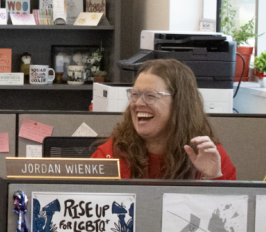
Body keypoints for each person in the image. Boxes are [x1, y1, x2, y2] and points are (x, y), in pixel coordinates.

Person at [91, 58, 236, 180]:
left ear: (179, 103)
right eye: (135, 95)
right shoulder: (114, 152)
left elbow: (230, 210)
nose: (138, 103)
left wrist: (213, 179)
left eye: (150, 96)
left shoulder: (209, 155)